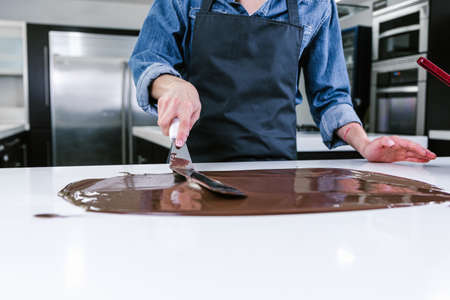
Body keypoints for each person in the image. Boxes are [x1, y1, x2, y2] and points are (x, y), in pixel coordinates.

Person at [129, 0, 436, 163]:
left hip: (276, 167)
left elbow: (331, 96)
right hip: (197, 165)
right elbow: (150, 58)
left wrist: (365, 145)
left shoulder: (315, 5)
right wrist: (173, 85)